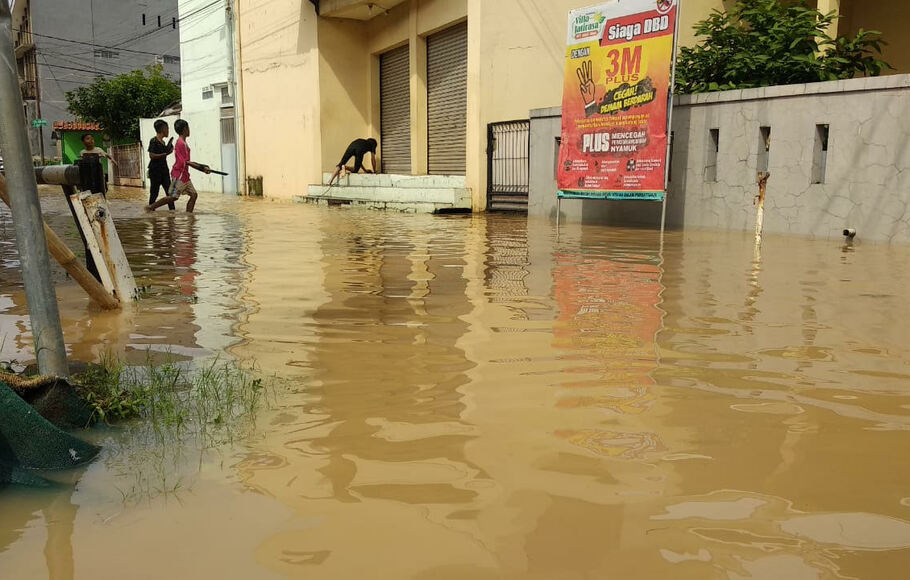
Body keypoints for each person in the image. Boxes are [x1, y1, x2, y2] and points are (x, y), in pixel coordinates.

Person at [146, 119, 210, 213]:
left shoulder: (182, 143)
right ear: (184, 129)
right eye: (188, 128)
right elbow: (187, 162)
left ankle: (189, 217)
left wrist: (203, 167)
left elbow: (187, 162)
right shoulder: (180, 143)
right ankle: (151, 207)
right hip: (178, 174)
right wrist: (202, 168)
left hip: (182, 175)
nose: (189, 130)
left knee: (193, 195)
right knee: (172, 197)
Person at [147, 120, 175, 211]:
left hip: (164, 170)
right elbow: (152, 156)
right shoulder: (153, 141)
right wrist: (165, 154)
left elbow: (165, 153)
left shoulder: (163, 142)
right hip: (155, 170)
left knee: (170, 193)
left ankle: (172, 213)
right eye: (167, 128)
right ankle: (150, 210)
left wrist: (169, 151)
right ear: (162, 129)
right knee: (154, 193)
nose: (168, 130)